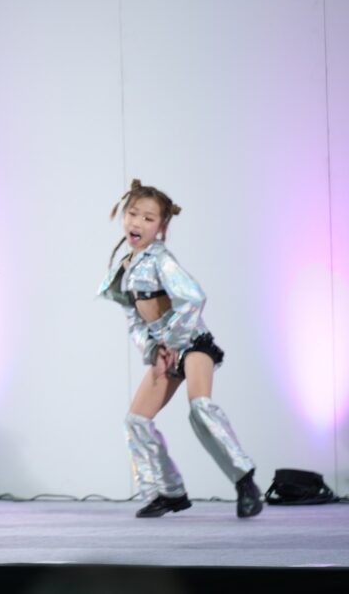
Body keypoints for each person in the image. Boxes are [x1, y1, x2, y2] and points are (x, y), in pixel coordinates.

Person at [98, 179, 263, 518]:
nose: (137, 223)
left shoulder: (161, 259)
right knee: (136, 421)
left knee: (200, 407)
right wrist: (154, 349)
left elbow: (193, 298)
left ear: (161, 227)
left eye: (148, 218)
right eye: (133, 214)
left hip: (192, 342)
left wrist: (173, 342)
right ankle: (169, 491)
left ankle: (245, 481)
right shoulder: (125, 266)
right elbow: (135, 318)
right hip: (166, 349)